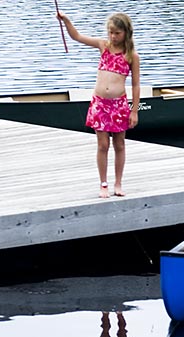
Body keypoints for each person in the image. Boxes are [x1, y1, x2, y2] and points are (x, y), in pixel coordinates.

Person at [57, 11, 140, 198]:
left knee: (120, 144)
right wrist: (66, 21)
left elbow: (135, 84)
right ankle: (103, 183)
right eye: (111, 32)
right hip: (99, 103)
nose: (113, 36)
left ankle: (118, 183)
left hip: (119, 104)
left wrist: (134, 110)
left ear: (126, 32)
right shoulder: (103, 46)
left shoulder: (131, 56)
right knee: (103, 145)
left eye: (117, 33)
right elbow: (77, 36)